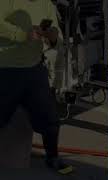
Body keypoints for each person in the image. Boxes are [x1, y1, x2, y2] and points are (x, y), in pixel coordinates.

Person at [0, 0, 73, 174]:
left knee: (50, 119)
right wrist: (22, 35)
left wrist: (53, 35)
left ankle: (52, 157)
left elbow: (57, 37)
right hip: (6, 70)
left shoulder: (46, 4)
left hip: (34, 70)